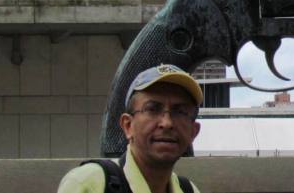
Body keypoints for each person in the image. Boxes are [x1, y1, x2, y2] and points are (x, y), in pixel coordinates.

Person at [58, 64, 203, 193]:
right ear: (128, 125)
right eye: (152, 109)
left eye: (180, 112)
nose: (167, 123)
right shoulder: (89, 184)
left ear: (193, 132)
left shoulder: (189, 190)